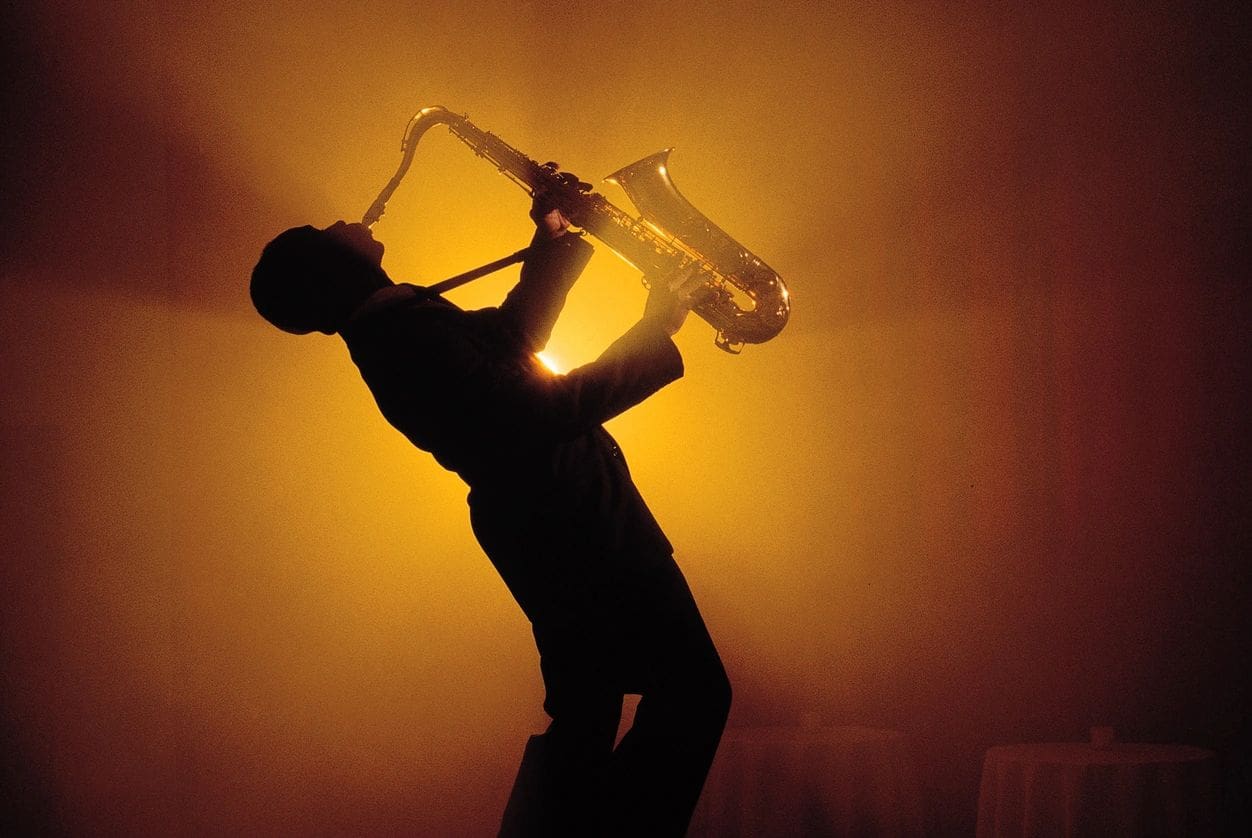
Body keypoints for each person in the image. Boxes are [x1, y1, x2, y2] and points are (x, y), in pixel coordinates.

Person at [250, 194, 731, 836]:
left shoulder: (395, 323)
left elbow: (510, 341)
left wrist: (554, 241)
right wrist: (653, 331)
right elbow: (535, 415)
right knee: (692, 693)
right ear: (328, 270)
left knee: (587, 712)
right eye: (323, 230)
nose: (345, 220)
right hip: (576, 523)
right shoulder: (399, 336)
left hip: (548, 526)